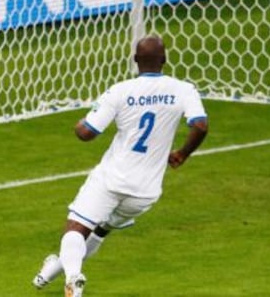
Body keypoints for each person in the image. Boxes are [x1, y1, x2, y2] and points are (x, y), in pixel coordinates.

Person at [32, 35, 209, 296]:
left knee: (76, 228)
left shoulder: (121, 90)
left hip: (112, 179)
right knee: (100, 230)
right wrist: (183, 153)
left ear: (135, 60)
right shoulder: (184, 89)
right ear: (165, 59)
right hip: (145, 193)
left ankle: (73, 278)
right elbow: (200, 125)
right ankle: (51, 269)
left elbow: (87, 133)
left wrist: (82, 122)